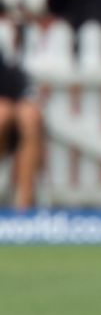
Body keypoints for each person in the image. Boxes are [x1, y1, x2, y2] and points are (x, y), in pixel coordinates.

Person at [0, 51, 43, 211]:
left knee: (29, 117)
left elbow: (29, 99)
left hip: (12, 136)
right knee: (3, 112)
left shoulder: (11, 74)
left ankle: (23, 206)